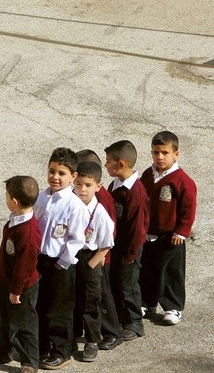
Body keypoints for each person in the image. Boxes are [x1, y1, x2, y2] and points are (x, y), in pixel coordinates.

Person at [0, 175, 41, 373]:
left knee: (24, 325)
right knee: (5, 319)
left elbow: (25, 266)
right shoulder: (16, 221)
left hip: (22, 288)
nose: (5, 199)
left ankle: (30, 362)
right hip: (9, 282)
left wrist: (16, 290)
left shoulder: (27, 233)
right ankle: (1, 351)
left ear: (14, 202)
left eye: (6, 196)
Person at [33, 147, 89, 370]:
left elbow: (76, 239)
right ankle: (41, 344)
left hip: (60, 264)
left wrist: (62, 262)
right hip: (40, 259)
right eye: (51, 171)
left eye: (61, 173)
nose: (55, 177)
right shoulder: (41, 197)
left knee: (59, 309)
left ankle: (61, 350)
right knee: (40, 304)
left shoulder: (75, 205)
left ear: (73, 177)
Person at [139, 131, 197, 326]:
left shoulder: (182, 181)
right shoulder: (149, 174)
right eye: (156, 152)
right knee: (148, 269)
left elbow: (188, 209)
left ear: (176, 154)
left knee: (171, 272)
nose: (160, 157)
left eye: (165, 152)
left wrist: (182, 231)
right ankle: (147, 302)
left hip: (172, 237)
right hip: (149, 234)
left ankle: (173, 307)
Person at [75, 150, 122, 351]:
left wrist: (99, 259)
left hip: (99, 257)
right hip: (84, 256)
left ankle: (112, 332)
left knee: (101, 298)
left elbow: (110, 231)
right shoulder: (76, 196)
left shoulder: (103, 199)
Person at [104, 140, 149, 341]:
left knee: (128, 285)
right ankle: (122, 318)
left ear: (121, 164)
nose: (105, 166)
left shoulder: (135, 193)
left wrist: (130, 254)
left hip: (129, 250)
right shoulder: (116, 184)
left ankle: (134, 322)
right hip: (117, 246)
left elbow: (138, 229)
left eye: (108, 162)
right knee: (117, 282)